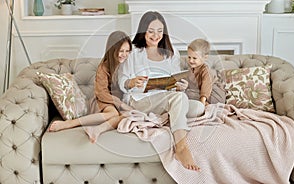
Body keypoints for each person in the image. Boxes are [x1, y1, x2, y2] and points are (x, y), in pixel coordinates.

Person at [118, 11, 200, 171]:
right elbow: (122, 81)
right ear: (143, 31)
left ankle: (168, 115)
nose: (156, 35)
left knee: (198, 107)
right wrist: (131, 82)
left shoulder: (171, 52)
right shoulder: (133, 52)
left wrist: (180, 85)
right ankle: (181, 147)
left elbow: (175, 79)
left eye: (160, 31)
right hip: (140, 100)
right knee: (178, 100)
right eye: (151, 31)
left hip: (165, 99)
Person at [49, 30, 133, 143]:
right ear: (112, 50)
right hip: (103, 100)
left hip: (117, 103)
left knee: (128, 115)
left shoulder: (126, 65)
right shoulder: (103, 67)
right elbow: (101, 93)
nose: (124, 54)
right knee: (113, 113)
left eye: (127, 51)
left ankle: (97, 130)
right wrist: (121, 104)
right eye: (121, 51)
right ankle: (71, 123)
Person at [185, 38, 213, 118]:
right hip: (199, 93)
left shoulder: (205, 70)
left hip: (209, 94)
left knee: (190, 94)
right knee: (186, 93)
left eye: (194, 58)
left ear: (205, 58)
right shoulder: (191, 69)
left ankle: (205, 105)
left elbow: (206, 86)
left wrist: (202, 101)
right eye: (189, 57)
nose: (191, 60)